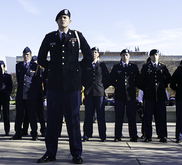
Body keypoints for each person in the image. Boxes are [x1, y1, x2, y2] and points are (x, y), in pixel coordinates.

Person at [37, 9, 93, 164]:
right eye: (61, 17)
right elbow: (41, 58)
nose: (63, 19)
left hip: (72, 85)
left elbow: (88, 56)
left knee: (73, 120)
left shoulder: (77, 36)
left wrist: (78, 69)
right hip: (54, 85)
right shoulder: (50, 37)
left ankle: (76, 154)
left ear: (70, 21)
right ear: (57, 21)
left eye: (66, 17)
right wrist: (51, 69)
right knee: (53, 120)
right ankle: (50, 153)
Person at [138, 50, 171, 143]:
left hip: (160, 96)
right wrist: (146, 88)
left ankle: (162, 135)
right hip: (149, 96)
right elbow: (140, 81)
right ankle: (148, 135)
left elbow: (168, 78)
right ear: (150, 56)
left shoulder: (163, 67)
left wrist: (163, 85)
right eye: (153, 55)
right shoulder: (145, 67)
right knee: (148, 117)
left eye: (156, 55)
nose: (155, 56)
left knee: (161, 117)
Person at [109, 49, 139, 142]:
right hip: (119, 95)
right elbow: (111, 79)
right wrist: (117, 86)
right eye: (123, 55)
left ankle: (133, 135)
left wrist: (133, 86)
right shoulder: (116, 67)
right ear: (120, 56)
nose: (125, 57)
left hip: (131, 95)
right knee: (119, 116)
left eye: (126, 55)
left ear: (129, 56)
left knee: (132, 116)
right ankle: (117, 135)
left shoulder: (133, 67)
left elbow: (138, 79)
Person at [11, 47, 40, 141]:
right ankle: (18, 133)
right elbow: (19, 80)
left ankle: (34, 133)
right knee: (19, 115)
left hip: (31, 94)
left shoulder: (35, 66)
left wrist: (39, 94)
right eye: (24, 54)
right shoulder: (18, 65)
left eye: (27, 54)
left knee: (32, 115)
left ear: (30, 55)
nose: (25, 56)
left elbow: (37, 81)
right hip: (20, 93)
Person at [82, 47, 110, 142]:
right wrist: (86, 86)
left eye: (95, 52)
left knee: (100, 115)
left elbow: (108, 78)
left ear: (98, 54)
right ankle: (87, 134)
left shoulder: (102, 65)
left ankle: (102, 135)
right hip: (89, 92)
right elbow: (82, 77)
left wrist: (102, 87)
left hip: (99, 93)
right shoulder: (87, 65)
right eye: (92, 52)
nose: (94, 54)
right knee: (88, 115)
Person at [0, 60, 13, 136]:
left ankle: (7, 130)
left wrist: (7, 93)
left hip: (5, 96)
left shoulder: (7, 76)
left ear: (4, 67)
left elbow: (10, 87)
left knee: (6, 114)